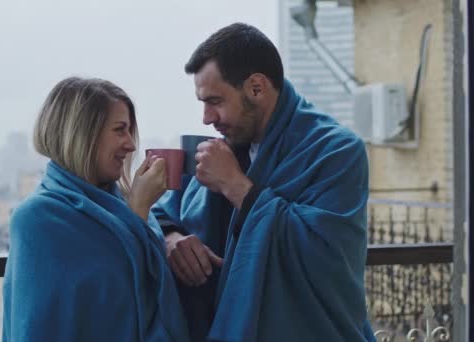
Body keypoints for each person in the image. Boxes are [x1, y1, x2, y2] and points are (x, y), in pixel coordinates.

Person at [153, 23, 376, 341]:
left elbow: (325, 256)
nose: (206, 117)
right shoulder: (220, 148)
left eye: (215, 101)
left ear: (256, 88)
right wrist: (171, 239)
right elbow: (162, 214)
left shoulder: (337, 150)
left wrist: (235, 185)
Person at [2, 77, 189, 341]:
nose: (131, 145)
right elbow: (113, 298)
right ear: (84, 134)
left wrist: (165, 231)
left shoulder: (122, 204)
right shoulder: (37, 219)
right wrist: (137, 212)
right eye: (119, 130)